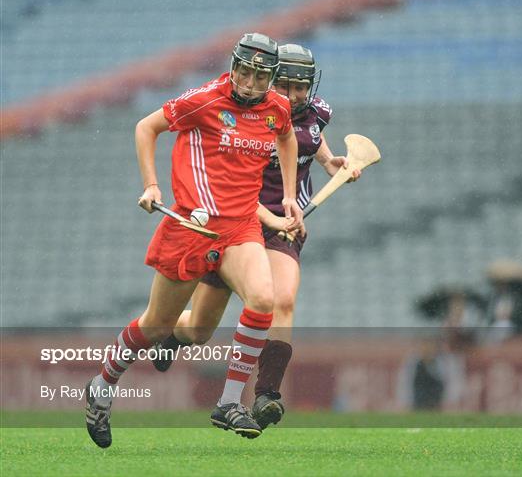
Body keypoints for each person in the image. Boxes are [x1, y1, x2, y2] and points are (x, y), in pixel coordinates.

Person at [84, 33, 303, 448]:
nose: (248, 82)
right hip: (191, 228)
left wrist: (288, 196)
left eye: (259, 77)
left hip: (240, 227)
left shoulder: (276, 108)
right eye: (243, 71)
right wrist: (151, 185)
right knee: (156, 325)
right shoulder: (203, 100)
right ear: (233, 66)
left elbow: (287, 137)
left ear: (270, 79)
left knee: (262, 300)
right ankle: (102, 384)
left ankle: (228, 402)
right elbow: (146, 127)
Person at [150, 43, 361, 430]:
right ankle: (173, 337)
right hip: (236, 222)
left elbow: (309, 140)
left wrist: (332, 162)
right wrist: (272, 216)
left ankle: (266, 395)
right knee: (200, 328)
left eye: (301, 87)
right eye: (285, 86)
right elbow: (236, 186)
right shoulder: (248, 119)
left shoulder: (317, 113)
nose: (294, 95)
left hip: (283, 225)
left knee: (280, 299)